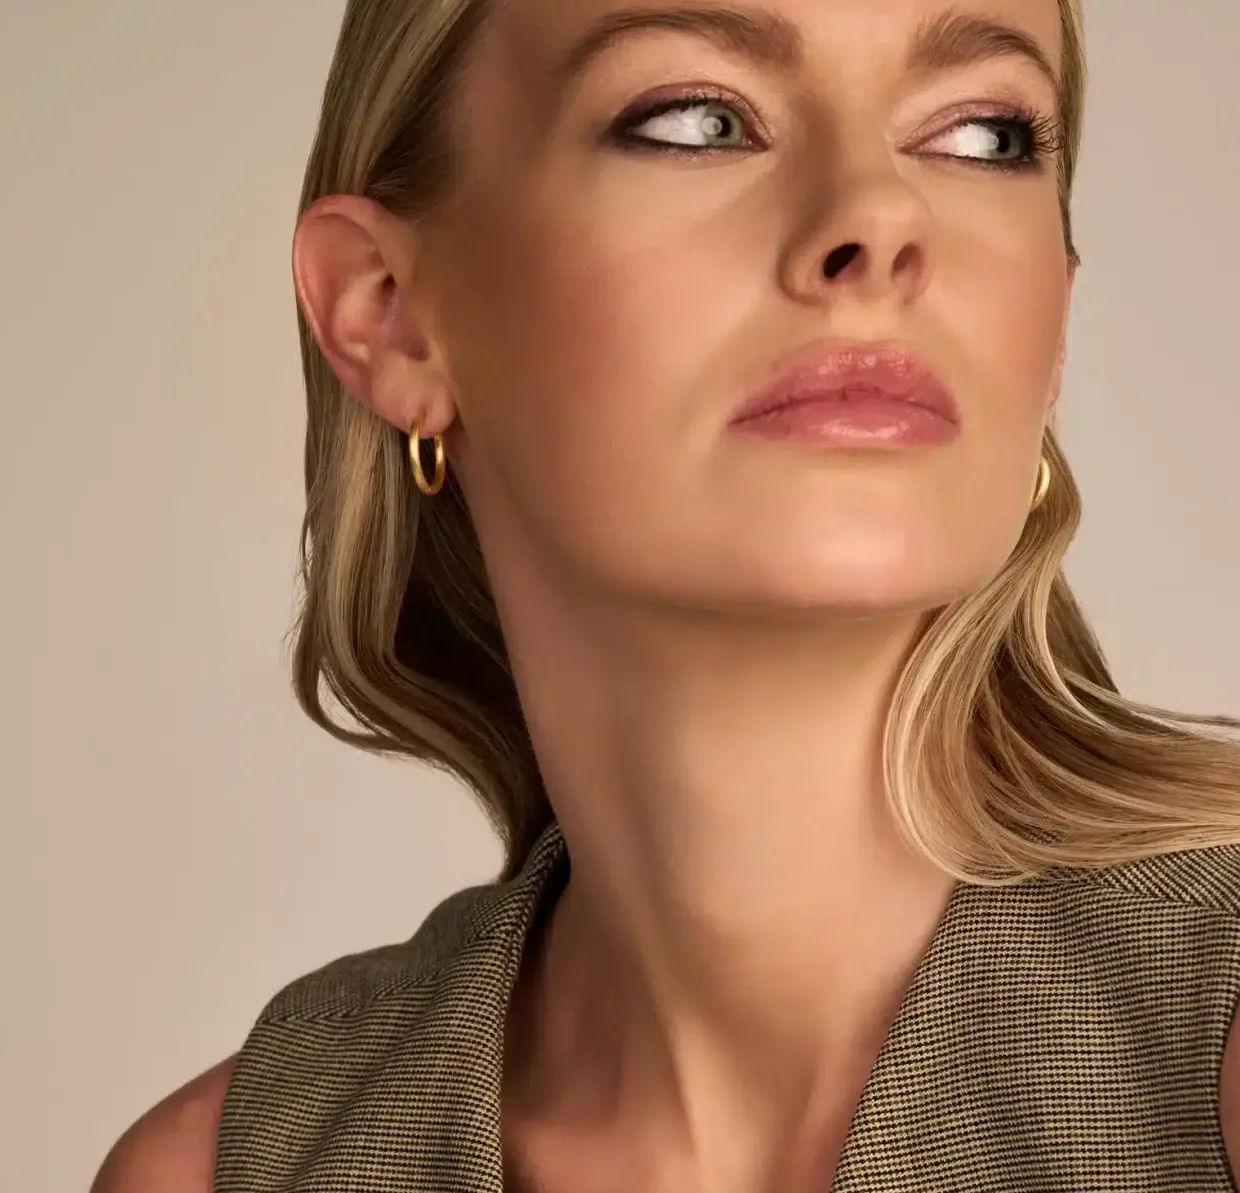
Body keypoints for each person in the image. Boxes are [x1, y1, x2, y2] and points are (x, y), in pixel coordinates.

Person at [92, 0, 1240, 1190]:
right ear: (386, 310)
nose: (879, 217)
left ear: (1054, 312)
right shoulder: (231, 1168)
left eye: (984, 135)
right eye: (695, 119)